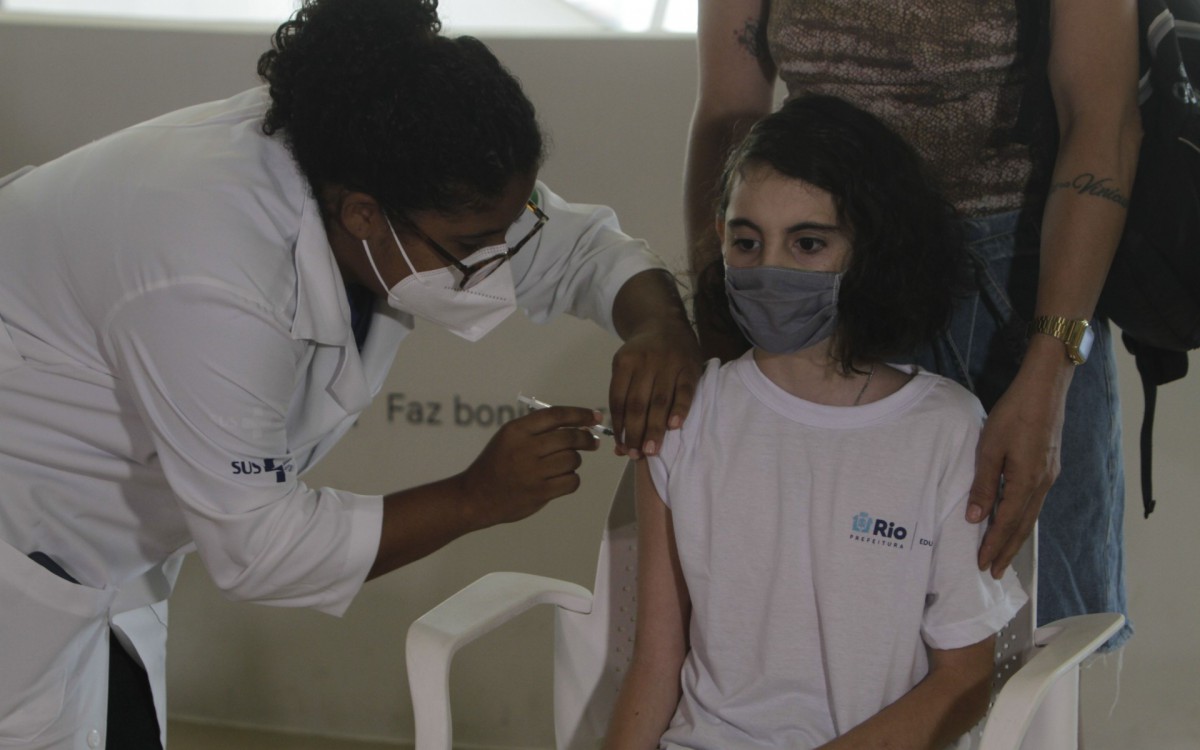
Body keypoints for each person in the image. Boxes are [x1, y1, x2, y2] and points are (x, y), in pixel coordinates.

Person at [0, 0, 701, 747]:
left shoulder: (373, 160)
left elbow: (580, 249)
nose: (503, 256)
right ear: (364, 214)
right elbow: (260, 549)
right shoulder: (212, 268)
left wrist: (660, 325)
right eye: (472, 244)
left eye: (512, 223)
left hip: (94, 557)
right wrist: (476, 497)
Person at [685, 0, 1140, 647]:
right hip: (828, 277)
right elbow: (728, 118)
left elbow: (1102, 118)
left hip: (1019, 286)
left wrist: (1050, 368)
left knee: (1040, 633)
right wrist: (723, 339)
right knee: (834, 627)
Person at [605, 95, 1027, 750]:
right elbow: (657, 664)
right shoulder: (686, 414)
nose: (770, 268)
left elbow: (963, 680)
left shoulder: (945, 430)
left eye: (807, 243)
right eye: (747, 241)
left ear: (873, 248)